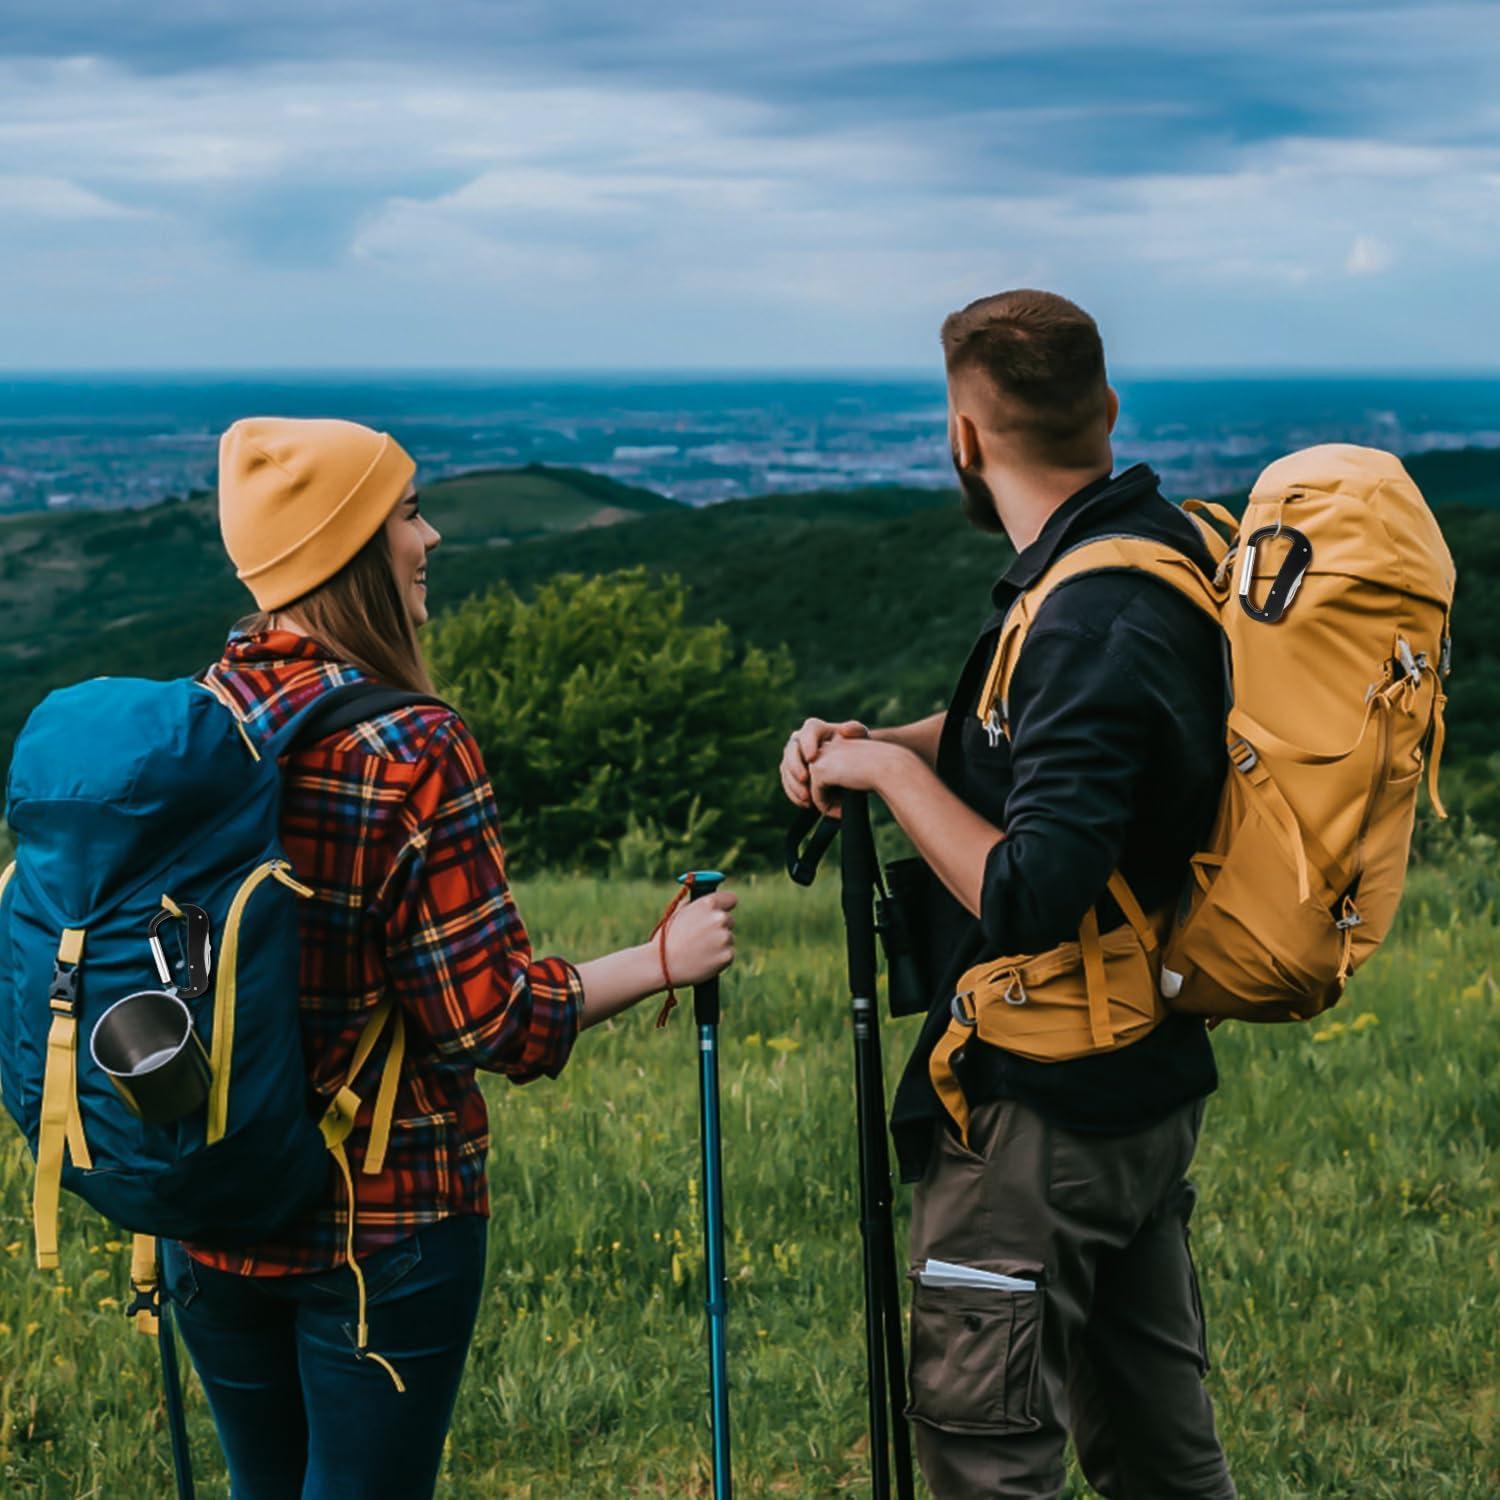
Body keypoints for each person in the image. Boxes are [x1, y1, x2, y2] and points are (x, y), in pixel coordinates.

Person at [163, 416, 737, 1500]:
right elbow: (491, 1023)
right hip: (378, 1225)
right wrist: (660, 960)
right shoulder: (412, 746)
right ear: (347, 550)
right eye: (410, 514)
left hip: (215, 1213)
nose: (431, 539)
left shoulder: (201, 716)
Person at [780, 291, 1237, 1498]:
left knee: (990, 1462)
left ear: (965, 441)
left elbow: (1032, 889)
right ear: (1108, 407)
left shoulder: (1086, 616)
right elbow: (1027, 743)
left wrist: (878, 771)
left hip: (1045, 1106)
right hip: (1137, 1077)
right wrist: (887, 742)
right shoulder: (1148, 549)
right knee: (1158, 1452)